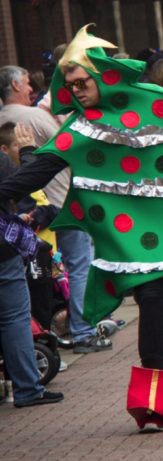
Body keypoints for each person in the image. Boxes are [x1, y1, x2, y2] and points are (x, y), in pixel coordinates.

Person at [0, 26, 163, 429]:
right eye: (69, 85)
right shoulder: (82, 126)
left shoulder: (155, 102)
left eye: (81, 82)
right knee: (152, 303)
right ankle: (156, 406)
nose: (75, 91)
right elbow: (41, 170)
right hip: (136, 239)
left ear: (104, 76)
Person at [0, 65, 109, 353]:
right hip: (57, 205)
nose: (31, 89)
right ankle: (81, 331)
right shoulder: (35, 116)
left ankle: (47, 333)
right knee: (76, 265)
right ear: (13, 85)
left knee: (42, 279)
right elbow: (67, 145)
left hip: (27, 219)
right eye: (26, 83)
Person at [0, 144, 63, 408]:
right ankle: (27, 388)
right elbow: (24, 182)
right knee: (15, 318)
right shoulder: (2, 162)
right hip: (5, 251)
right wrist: (26, 152)